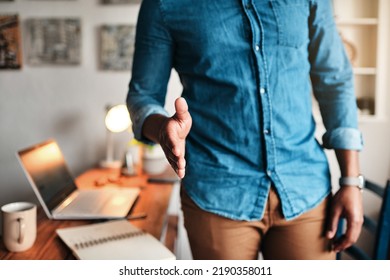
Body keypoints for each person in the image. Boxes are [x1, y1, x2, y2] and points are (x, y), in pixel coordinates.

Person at [126, 0, 364, 260]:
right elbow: (143, 96)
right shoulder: (163, 5)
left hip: (305, 188)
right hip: (216, 192)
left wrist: (351, 181)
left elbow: (335, 79)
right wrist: (162, 128)